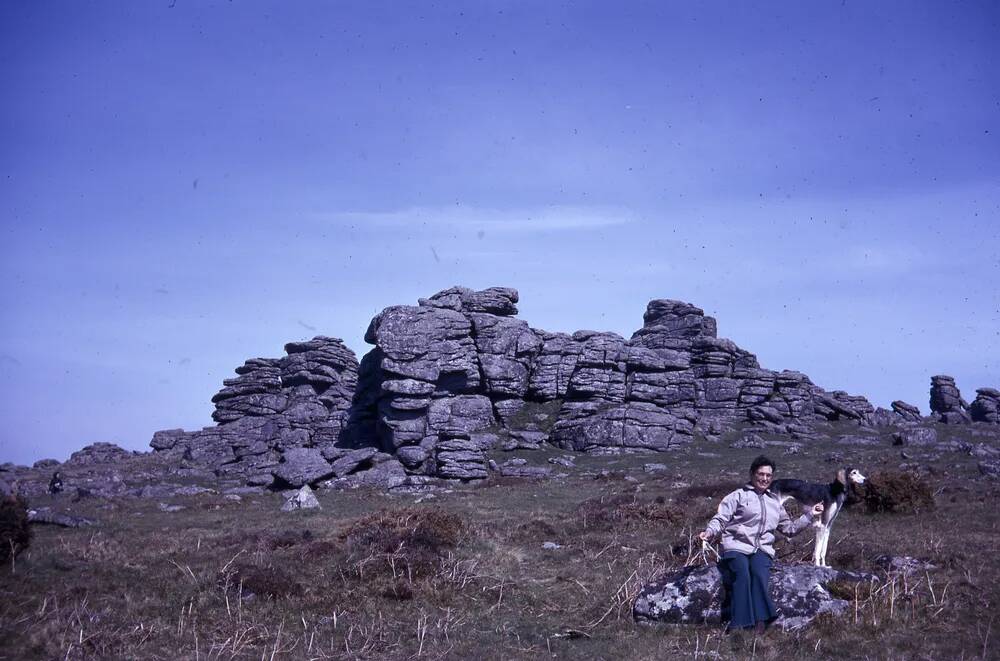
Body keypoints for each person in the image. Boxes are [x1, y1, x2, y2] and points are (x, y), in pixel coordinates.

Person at [697, 455, 823, 634]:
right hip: (736, 547)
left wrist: (811, 514)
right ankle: (739, 626)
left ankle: (761, 622)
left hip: (762, 550)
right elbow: (721, 518)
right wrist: (709, 532)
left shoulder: (774, 503)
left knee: (758, 573)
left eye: (768, 476)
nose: (764, 479)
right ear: (752, 474)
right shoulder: (738, 496)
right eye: (761, 474)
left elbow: (789, 529)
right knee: (742, 575)